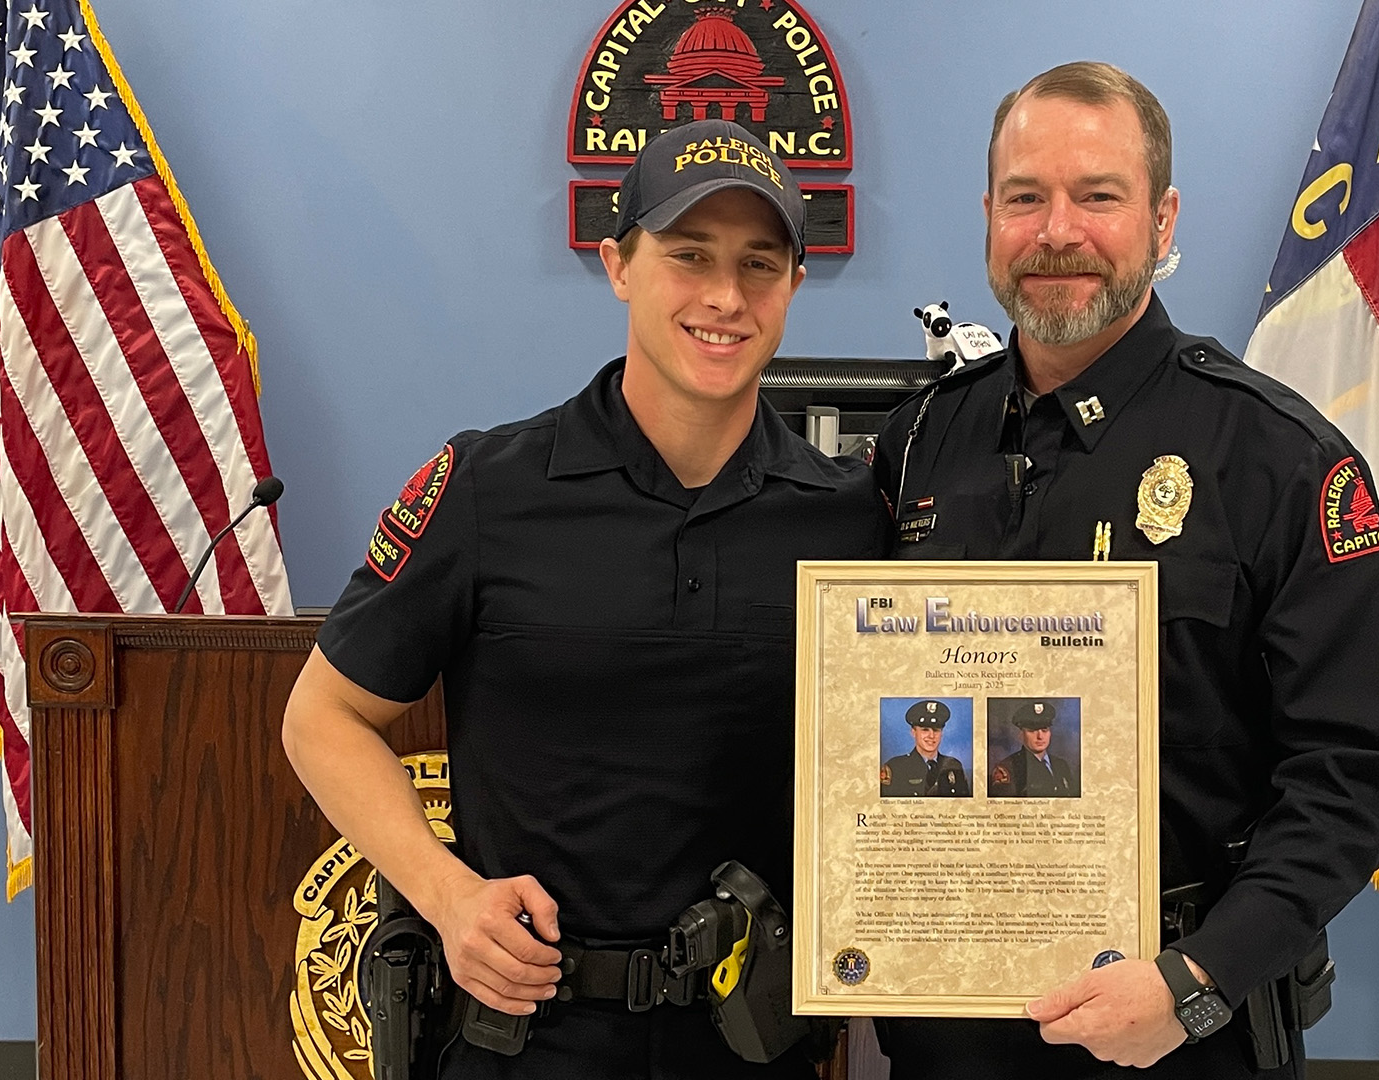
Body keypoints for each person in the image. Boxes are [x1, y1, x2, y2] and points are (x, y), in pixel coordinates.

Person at [281, 119, 888, 1079]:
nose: (725, 297)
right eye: (689, 255)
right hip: (523, 1038)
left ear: (793, 286)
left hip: (747, 1045)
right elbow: (323, 717)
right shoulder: (487, 489)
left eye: (758, 265)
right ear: (618, 266)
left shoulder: (849, 518)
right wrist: (446, 895)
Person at [870, 62, 1379, 1078]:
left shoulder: (1273, 456)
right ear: (989, 217)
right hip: (945, 1022)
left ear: (1163, 220)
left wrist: (1199, 979)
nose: (1057, 232)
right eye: (1025, 198)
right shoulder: (915, 444)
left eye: (1098, 196)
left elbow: (1361, 769)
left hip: (1180, 1026)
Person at [880, 699, 971, 797]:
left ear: (941, 733)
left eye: (936, 730)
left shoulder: (954, 766)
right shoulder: (896, 767)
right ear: (913, 732)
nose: (931, 736)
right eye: (925, 730)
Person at [989, 700, 1078, 798]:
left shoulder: (1061, 765)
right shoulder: (1008, 769)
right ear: (1021, 735)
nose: (1040, 736)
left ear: (1050, 733)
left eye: (1044, 730)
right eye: (1032, 731)